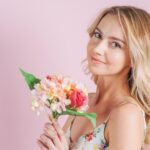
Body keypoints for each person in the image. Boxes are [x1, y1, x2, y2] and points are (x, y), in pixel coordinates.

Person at [37, 5, 150, 150]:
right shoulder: (83, 103)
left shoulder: (127, 114)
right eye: (98, 35)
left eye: (115, 44)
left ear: (134, 58)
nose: (97, 49)